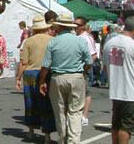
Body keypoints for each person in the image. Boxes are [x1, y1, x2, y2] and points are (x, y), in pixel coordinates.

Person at [39, 13, 93, 144]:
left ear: (59, 26)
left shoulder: (54, 41)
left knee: (60, 110)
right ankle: (74, 140)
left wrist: (42, 81)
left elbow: (45, 65)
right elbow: (89, 61)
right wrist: (82, 70)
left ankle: (63, 137)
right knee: (75, 111)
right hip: (76, 76)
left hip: (58, 77)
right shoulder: (80, 40)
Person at [103, 16, 134, 144]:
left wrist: (111, 83)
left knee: (117, 124)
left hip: (116, 91)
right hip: (132, 92)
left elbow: (105, 66)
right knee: (126, 127)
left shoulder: (109, 43)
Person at [15, 15, 56, 143]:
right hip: (46, 72)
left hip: (30, 73)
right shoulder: (52, 40)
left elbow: (23, 62)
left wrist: (18, 78)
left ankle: (31, 131)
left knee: (30, 103)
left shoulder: (29, 41)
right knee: (46, 103)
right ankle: (47, 136)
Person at [74, 16, 97, 127]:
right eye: (74, 24)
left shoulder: (86, 38)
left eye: (78, 25)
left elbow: (93, 55)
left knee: (86, 92)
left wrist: (85, 69)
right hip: (75, 69)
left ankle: (85, 116)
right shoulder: (75, 36)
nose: (75, 27)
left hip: (83, 68)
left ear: (83, 26)